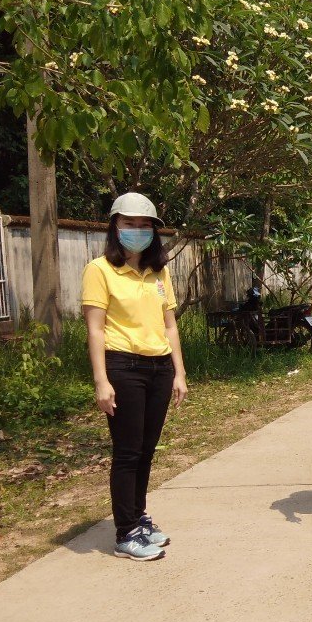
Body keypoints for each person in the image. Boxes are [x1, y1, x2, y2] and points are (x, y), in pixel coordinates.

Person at [81, 192, 188, 561]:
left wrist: (179, 372)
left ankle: (138, 517)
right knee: (127, 451)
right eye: (129, 223)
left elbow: (170, 325)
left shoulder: (159, 272)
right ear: (115, 226)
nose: (138, 230)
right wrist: (101, 380)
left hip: (159, 367)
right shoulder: (99, 270)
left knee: (146, 450)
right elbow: (95, 329)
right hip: (123, 367)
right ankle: (125, 533)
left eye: (145, 225)